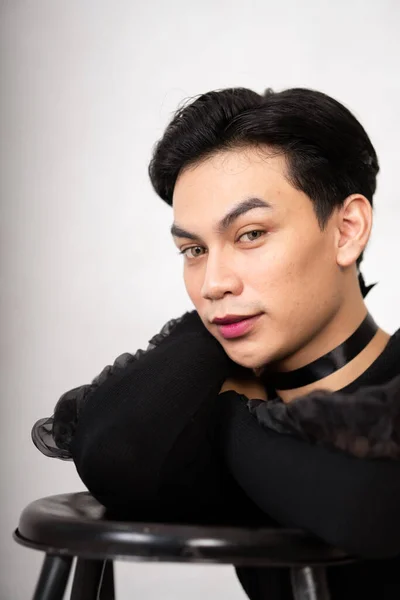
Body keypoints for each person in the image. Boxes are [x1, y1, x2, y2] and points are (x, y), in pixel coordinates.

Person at [32, 87, 400, 599]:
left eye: (250, 234)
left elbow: (365, 505)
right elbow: (112, 449)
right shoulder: (228, 387)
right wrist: (228, 390)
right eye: (194, 248)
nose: (212, 283)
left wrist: (226, 413)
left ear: (346, 230)